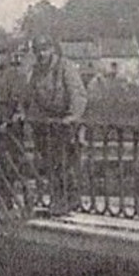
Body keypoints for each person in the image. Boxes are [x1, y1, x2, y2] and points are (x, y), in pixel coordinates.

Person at [27, 39, 87, 215]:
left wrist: (72, 117)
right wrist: (30, 115)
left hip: (65, 123)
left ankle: (70, 199)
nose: (41, 54)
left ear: (52, 50)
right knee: (50, 164)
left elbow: (78, 94)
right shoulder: (37, 71)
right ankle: (57, 199)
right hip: (47, 124)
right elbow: (32, 96)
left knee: (64, 163)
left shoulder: (65, 67)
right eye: (38, 50)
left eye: (45, 50)